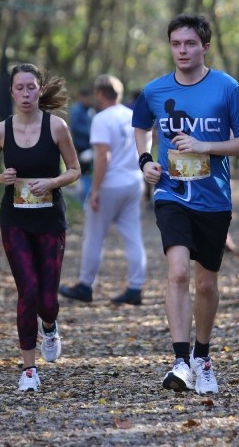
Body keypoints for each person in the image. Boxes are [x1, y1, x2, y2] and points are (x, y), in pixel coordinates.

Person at [132, 13, 239, 395]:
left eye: (189, 44)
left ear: (204, 46)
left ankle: (203, 356)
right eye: (175, 44)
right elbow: (141, 127)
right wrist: (145, 162)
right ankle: (180, 360)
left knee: (205, 283)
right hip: (171, 193)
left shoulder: (227, 88)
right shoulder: (154, 90)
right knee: (178, 273)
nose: (182, 51)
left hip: (213, 198)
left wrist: (206, 146)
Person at [0, 63, 81, 392]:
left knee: (47, 300)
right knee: (28, 291)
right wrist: (0, 178)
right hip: (15, 220)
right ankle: (28, 370)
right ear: (12, 92)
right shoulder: (0, 131)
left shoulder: (57, 127)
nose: (25, 93)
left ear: (39, 90)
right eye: (19, 88)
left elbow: (75, 169)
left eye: (31, 87)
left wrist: (52, 180)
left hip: (50, 219)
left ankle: (49, 327)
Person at [60, 74, 148, 306]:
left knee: (95, 235)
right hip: (133, 181)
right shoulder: (133, 116)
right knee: (133, 235)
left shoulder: (102, 119)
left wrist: (96, 190)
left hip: (110, 183)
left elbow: (102, 155)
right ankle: (135, 287)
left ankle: (85, 285)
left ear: (100, 94)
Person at [69, 87, 95, 202]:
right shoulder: (76, 110)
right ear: (81, 97)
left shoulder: (89, 110)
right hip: (81, 147)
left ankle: (88, 196)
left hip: (90, 147)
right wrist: (90, 133)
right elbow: (75, 127)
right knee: (84, 173)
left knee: (90, 172)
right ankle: (83, 199)